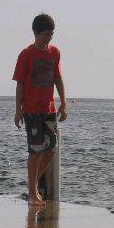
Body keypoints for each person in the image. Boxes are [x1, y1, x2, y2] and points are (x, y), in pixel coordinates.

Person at [12, 12, 68, 206]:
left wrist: (64, 103)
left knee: (51, 149)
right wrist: (18, 109)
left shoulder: (55, 52)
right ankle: (32, 192)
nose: (49, 38)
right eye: (45, 34)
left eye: (51, 34)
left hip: (49, 107)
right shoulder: (26, 54)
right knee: (35, 151)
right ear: (36, 33)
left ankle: (33, 185)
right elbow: (19, 83)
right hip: (32, 109)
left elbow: (58, 78)